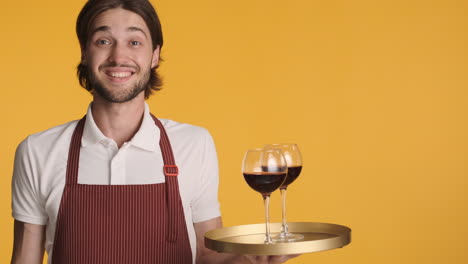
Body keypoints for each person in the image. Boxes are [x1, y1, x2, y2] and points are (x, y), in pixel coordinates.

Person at [11, 0, 298, 263]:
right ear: (85, 52)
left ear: (154, 55)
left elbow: (208, 254)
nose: (118, 55)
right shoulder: (38, 151)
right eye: (103, 40)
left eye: (135, 41)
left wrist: (254, 260)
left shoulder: (194, 144)